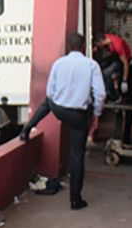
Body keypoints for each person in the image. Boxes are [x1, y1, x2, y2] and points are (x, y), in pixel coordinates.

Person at [19, 34, 106, 210]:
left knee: (47, 103)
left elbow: (50, 91)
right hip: (77, 117)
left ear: (68, 46)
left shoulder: (58, 63)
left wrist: (60, 101)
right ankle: (75, 200)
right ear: (82, 47)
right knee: (77, 156)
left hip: (59, 109)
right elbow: (101, 94)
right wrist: (96, 116)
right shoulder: (91, 65)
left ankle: (26, 130)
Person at [94, 33, 132, 102]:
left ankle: (113, 95)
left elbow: (125, 62)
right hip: (115, 56)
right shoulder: (106, 38)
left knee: (107, 73)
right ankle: (105, 90)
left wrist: (124, 80)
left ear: (101, 42)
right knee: (100, 65)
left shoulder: (117, 45)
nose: (98, 48)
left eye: (98, 45)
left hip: (123, 59)